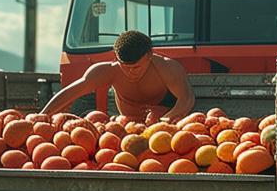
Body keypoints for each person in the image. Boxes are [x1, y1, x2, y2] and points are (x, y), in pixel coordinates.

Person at [40, 30, 195, 122]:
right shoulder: (106, 71)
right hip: (125, 129)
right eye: (125, 67)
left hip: (166, 132)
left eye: (136, 67)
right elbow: (71, 92)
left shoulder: (167, 67)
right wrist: (42, 116)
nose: (131, 71)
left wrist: (164, 121)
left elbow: (186, 99)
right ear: (116, 58)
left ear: (149, 55)